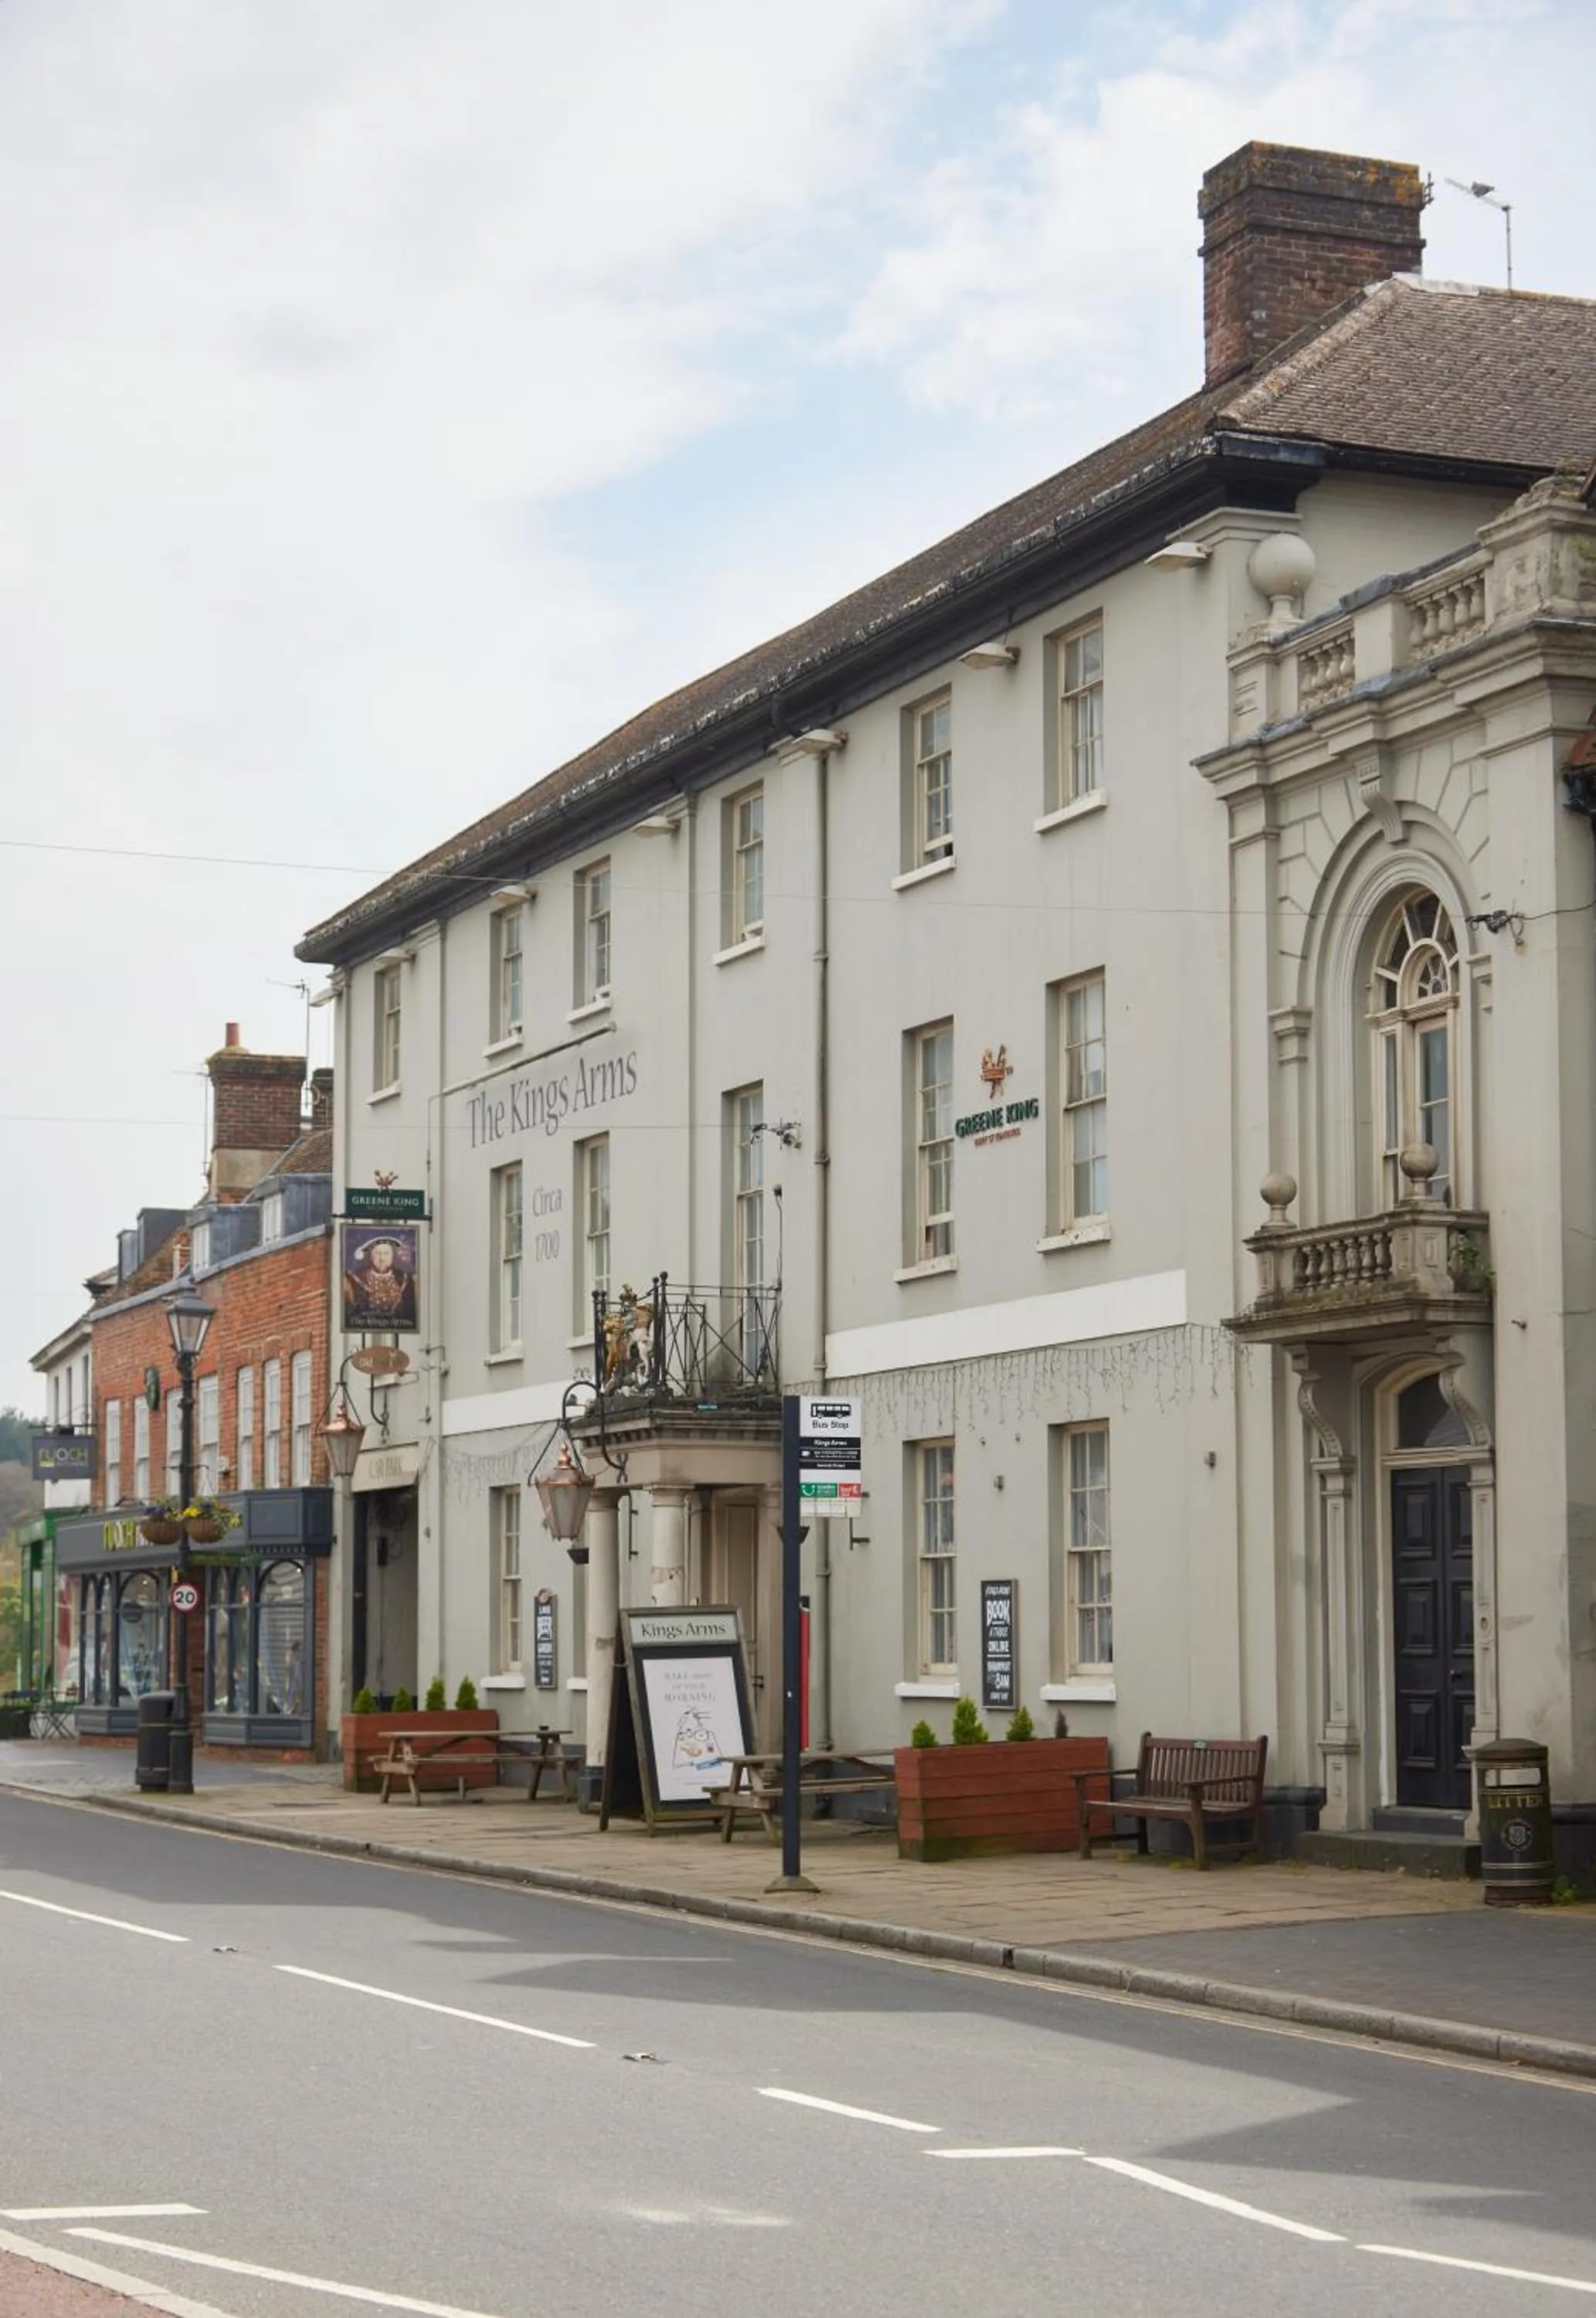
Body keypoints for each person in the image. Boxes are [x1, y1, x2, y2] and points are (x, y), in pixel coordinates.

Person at [344, 1235, 418, 1330]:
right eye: (377, 1254)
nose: (382, 1259)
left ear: (393, 1256)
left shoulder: (406, 1280)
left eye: (386, 1254)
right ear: (370, 1256)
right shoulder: (354, 1280)